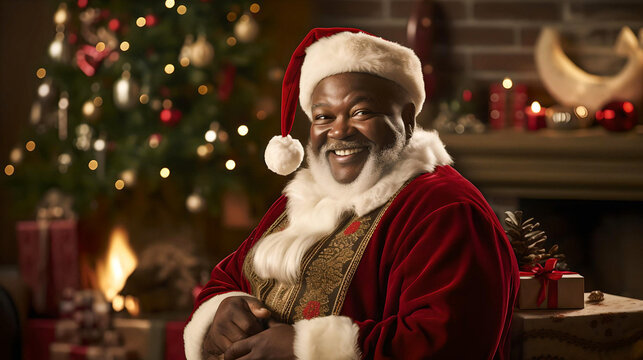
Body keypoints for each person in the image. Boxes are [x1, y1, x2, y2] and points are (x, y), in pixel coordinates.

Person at [184, 28, 519, 360]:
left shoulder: (444, 208)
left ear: (406, 120)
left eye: (361, 112)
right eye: (323, 117)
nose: (339, 130)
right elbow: (228, 277)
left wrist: (306, 350)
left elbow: (449, 343)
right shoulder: (303, 197)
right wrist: (222, 312)